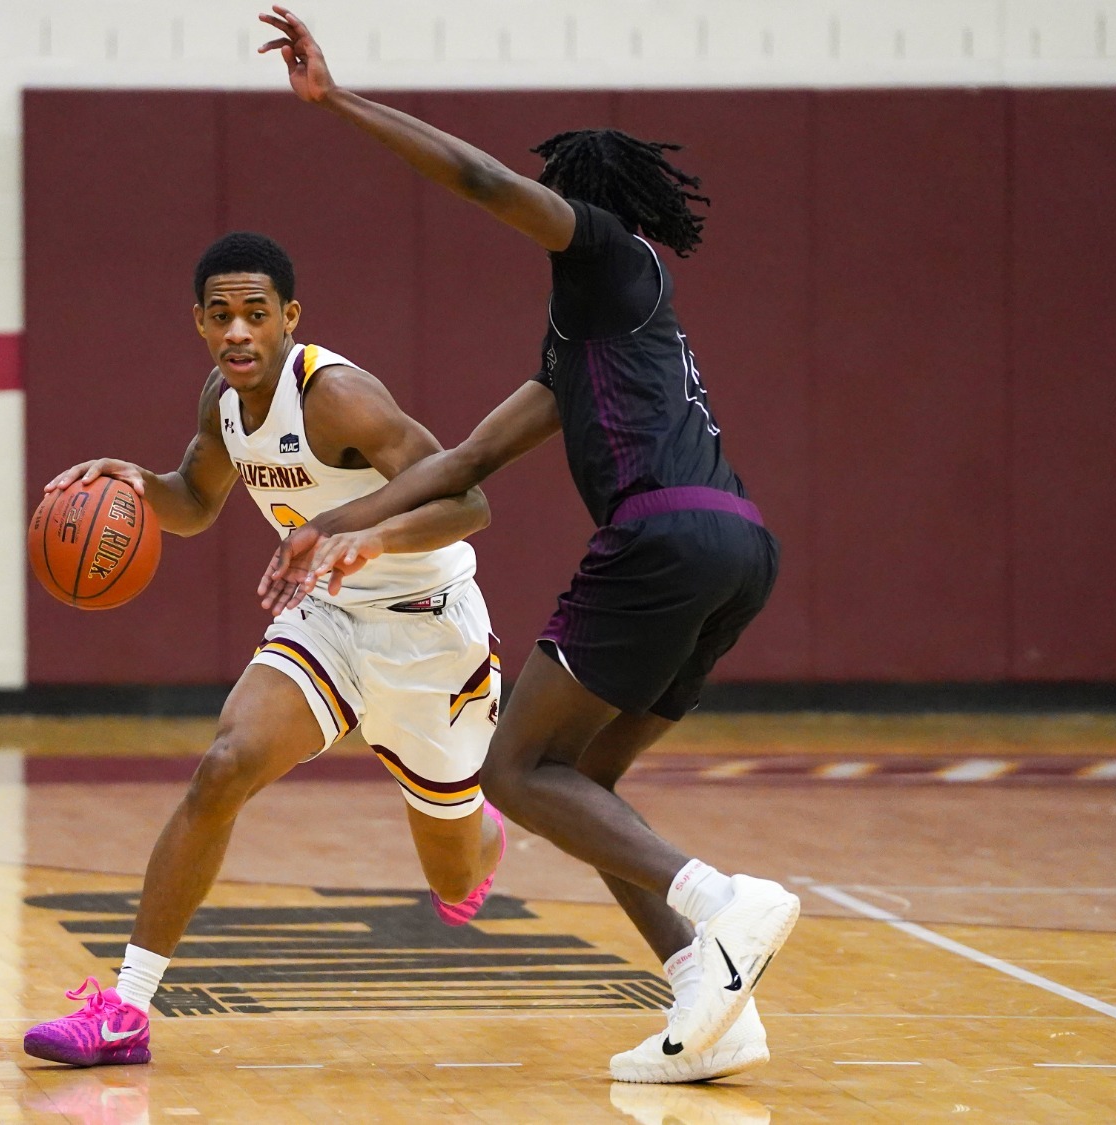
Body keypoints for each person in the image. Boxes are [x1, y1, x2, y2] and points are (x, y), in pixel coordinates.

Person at [254, 7, 797, 1083]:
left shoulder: (603, 251)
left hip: (662, 538)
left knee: (509, 767)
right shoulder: (592, 338)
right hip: (735, 547)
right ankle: (709, 993)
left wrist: (339, 102)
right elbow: (458, 464)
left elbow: (482, 183)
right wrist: (330, 523)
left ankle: (719, 904)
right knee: (583, 779)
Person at [23, 232, 507, 1067]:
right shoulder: (221, 398)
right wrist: (134, 485)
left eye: (255, 313)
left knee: (455, 876)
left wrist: (356, 532)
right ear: (201, 325)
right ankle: (126, 1009)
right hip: (323, 615)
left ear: (289, 317)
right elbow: (195, 499)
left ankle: (479, 831)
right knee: (225, 763)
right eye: (221, 316)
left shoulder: (338, 396)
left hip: (427, 627)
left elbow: (468, 502)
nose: (238, 331)